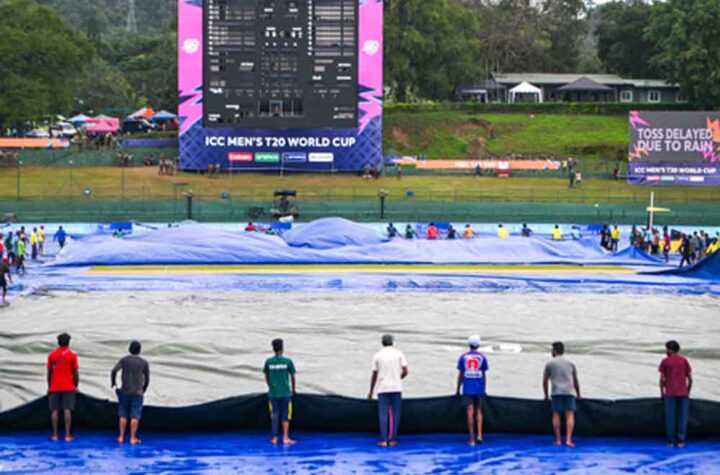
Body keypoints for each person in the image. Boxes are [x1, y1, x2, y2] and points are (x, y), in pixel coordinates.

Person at [368, 334, 408, 447]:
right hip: (396, 387)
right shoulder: (399, 354)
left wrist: (371, 390)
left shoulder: (378, 355)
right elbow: (405, 371)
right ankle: (392, 439)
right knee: (395, 414)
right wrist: (398, 378)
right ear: (392, 342)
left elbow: (374, 374)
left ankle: (383, 440)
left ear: (382, 342)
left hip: (383, 388)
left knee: (383, 414)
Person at [111, 340, 150, 445]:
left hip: (125, 390)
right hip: (137, 392)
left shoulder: (124, 360)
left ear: (129, 349)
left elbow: (114, 371)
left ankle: (121, 437)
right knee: (135, 415)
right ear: (140, 350)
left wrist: (113, 384)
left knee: (123, 414)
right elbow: (147, 379)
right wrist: (143, 389)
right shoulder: (144, 362)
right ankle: (132, 438)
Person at [543, 341, 581, 447]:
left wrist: (546, 395)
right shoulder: (571, 363)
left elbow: (545, 381)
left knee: (556, 415)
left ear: (555, 351)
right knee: (570, 415)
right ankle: (568, 440)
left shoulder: (550, 364)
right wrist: (578, 394)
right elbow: (575, 380)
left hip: (556, 392)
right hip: (569, 392)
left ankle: (558, 440)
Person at [455, 335, 489, 446]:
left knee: (470, 412)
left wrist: (457, 389)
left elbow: (461, 375)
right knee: (479, 411)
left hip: (467, 388)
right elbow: (484, 375)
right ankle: (479, 435)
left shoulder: (463, 357)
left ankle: (471, 439)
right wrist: (484, 388)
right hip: (479, 388)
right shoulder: (482, 357)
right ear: (478, 345)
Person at [263, 338, 297, 445]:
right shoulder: (287, 361)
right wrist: (293, 389)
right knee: (286, 415)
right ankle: (285, 437)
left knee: (275, 414)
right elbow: (293, 376)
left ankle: (274, 438)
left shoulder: (269, 362)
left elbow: (266, 376)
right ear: (282, 348)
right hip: (285, 393)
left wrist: (271, 386)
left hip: (273, 393)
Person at [659, 340, 692, 448]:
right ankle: (681, 441)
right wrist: (688, 391)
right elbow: (690, 378)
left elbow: (662, 379)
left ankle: (670, 441)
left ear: (669, 350)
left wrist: (662, 393)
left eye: (666, 349)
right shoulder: (684, 361)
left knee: (670, 418)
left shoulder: (665, 361)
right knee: (682, 418)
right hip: (683, 393)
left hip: (670, 393)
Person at [47, 333, 79, 442]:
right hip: (68, 387)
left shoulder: (51, 355)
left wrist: (49, 386)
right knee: (67, 410)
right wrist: (76, 385)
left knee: (54, 410)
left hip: (54, 386)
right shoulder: (72, 355)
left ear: (58, 342)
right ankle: (67, 435)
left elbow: (49, 373)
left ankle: (55, 435)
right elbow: (75, 373)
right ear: (68, 342)